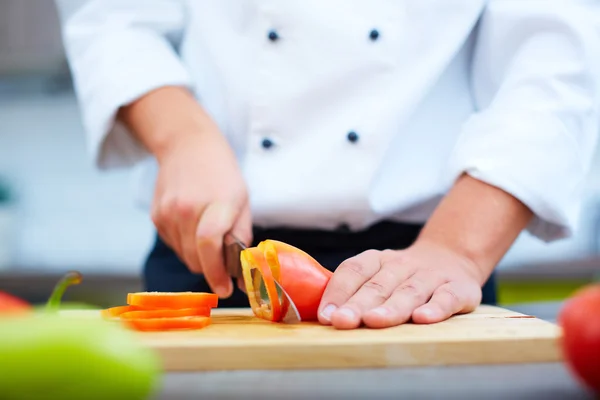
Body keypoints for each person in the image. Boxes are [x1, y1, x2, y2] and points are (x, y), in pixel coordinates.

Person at [55, 1, 600, 330]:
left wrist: (456, 248)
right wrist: (182, 137)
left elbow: (556, 57)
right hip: (209, 255)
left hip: (426, 272)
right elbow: (112, 17)